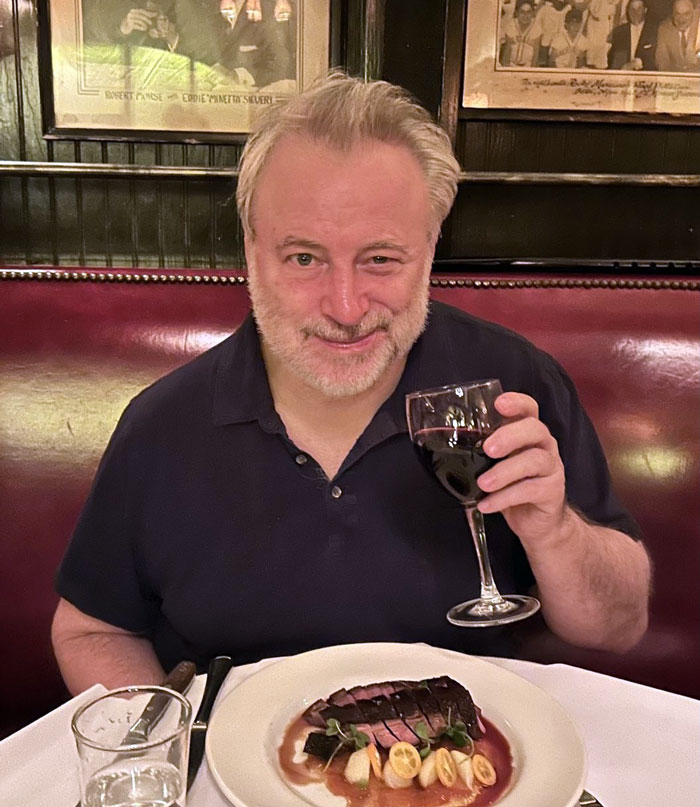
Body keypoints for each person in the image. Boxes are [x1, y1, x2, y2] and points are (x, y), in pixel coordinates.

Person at [51, 71, 651, 694]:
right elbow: (93, 630)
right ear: (253, 252)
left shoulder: (514, 388)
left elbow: (617, 627)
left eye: (381, 259)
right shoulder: (162, 426)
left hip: (471, 768)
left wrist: (554, 532)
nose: (344, 306)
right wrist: (165, 760)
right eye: (304, 258)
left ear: (431, 245)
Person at [608, 0, 658, 69]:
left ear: (645, 10)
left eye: (639, 9)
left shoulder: (654, 31)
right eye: (632, 9)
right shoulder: (619, 32)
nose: (635, 13)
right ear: (627, 11)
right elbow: (614, 62)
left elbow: (658, 60)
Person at [655, 0, 700, 70]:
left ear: (694, 14)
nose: (681, 19)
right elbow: (662, 63)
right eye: (677, 14)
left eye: (686, 14)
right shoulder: (665, 29)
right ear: (672, 13)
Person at [499, 0, 544, 66]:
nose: (525, 16)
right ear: (516, 13)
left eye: (529, 12)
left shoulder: (537, 28)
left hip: (528, 65)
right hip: (512, 64)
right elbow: (506, 53)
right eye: (522, 12)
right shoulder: (511, 25)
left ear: (533, 13)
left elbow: (536, 56)